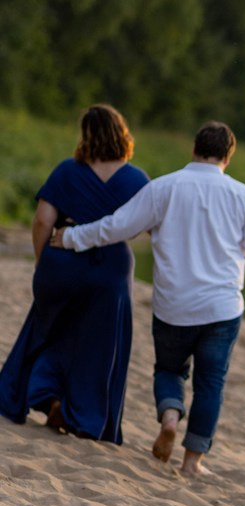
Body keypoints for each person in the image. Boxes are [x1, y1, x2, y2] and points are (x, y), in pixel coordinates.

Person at [51, 120, 245, 475]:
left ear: (194, 149)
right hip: (222, 307)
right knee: (210, 383)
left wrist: (70, 237)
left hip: (174, 305)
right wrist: (229, 244)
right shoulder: (242, 194)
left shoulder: (164, 188)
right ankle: (192, 461)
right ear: (228, 156)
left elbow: (117, 226)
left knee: (169, 368)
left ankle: (170, 418)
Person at [0, 103, 149, 443]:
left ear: (86, 135)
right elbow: (149, 228)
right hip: (110, 269)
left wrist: (43, 261)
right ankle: (83, 416)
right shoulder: (137, 180)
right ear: (122, 134)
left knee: (50, 331)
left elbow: (42, 220)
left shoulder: (67, 171)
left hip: (62, 261)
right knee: (100, 346)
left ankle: (48, 396)